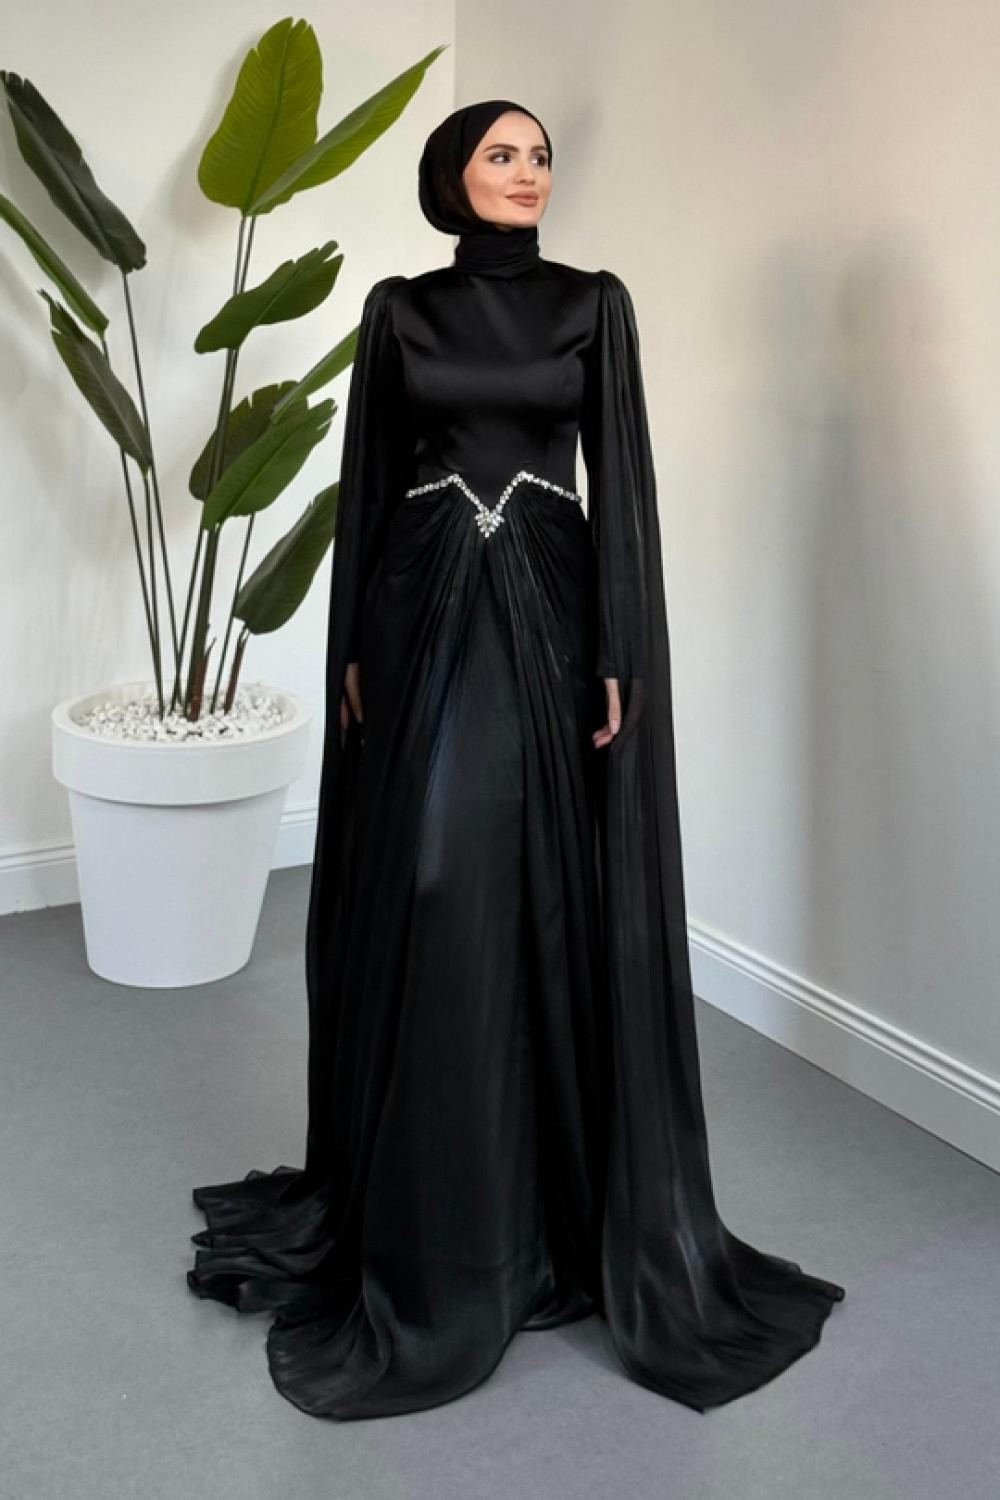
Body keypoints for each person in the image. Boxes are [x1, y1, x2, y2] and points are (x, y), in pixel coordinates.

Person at [187, 98, 846, 1420]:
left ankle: (549, 1205)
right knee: (437, 879)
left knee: (549, 889)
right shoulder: (397, 312)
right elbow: (372, 485)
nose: (528, 172)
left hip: (546, 603)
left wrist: (620, 649)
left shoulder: (594, 305)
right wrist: (356, 645)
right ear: (453, 176)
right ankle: (437, 1209)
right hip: (423, 605)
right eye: (503, 155)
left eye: (540, 157)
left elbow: (623, 487)